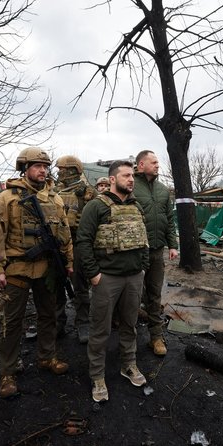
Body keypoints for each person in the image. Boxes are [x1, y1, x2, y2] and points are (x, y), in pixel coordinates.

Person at [0, 147, 73, 398]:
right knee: (11, 322)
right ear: (24, 168)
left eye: (45, 166)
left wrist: (69, 261)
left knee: (48, 315)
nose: (43, 170)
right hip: (15, 267)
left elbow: (65, 233)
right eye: (37, 166)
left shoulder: (55, 199)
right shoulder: (6, 198)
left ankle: (47, 357)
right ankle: (8, 371)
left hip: (47, 268)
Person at [76, 160, 150, 403]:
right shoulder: (95, 206)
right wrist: (94, 274)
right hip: (107, 278)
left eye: (133, 176)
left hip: (133, 277)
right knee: (101, 329)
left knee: (130, 325)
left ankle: (128, 364)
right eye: (127, 175)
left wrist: (143, 267)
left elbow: (143, 238)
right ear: (112, 179)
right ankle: (97, 375)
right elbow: (83, 242)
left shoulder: (136, 205)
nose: (131, 179)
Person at [133, 150, 179, 356]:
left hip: (156, 251)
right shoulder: (131, 187)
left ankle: (156, 338)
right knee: (131, 294)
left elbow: (170, 220)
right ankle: (127, 338)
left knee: (154, 294)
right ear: (141, 164)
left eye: (158, 162)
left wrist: (173, 245)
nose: (158, 165)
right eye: (153, 162)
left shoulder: (162, 190)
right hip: (134, 252)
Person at [54, 155, 96, 343]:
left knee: (79, 285)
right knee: (55, 285)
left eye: (61, 168)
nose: (58, 172)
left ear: (71, 170)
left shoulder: (87, 192)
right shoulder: (53, 191)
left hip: (78, 244)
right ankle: (57, 322)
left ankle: (83, 322)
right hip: (57, 244)